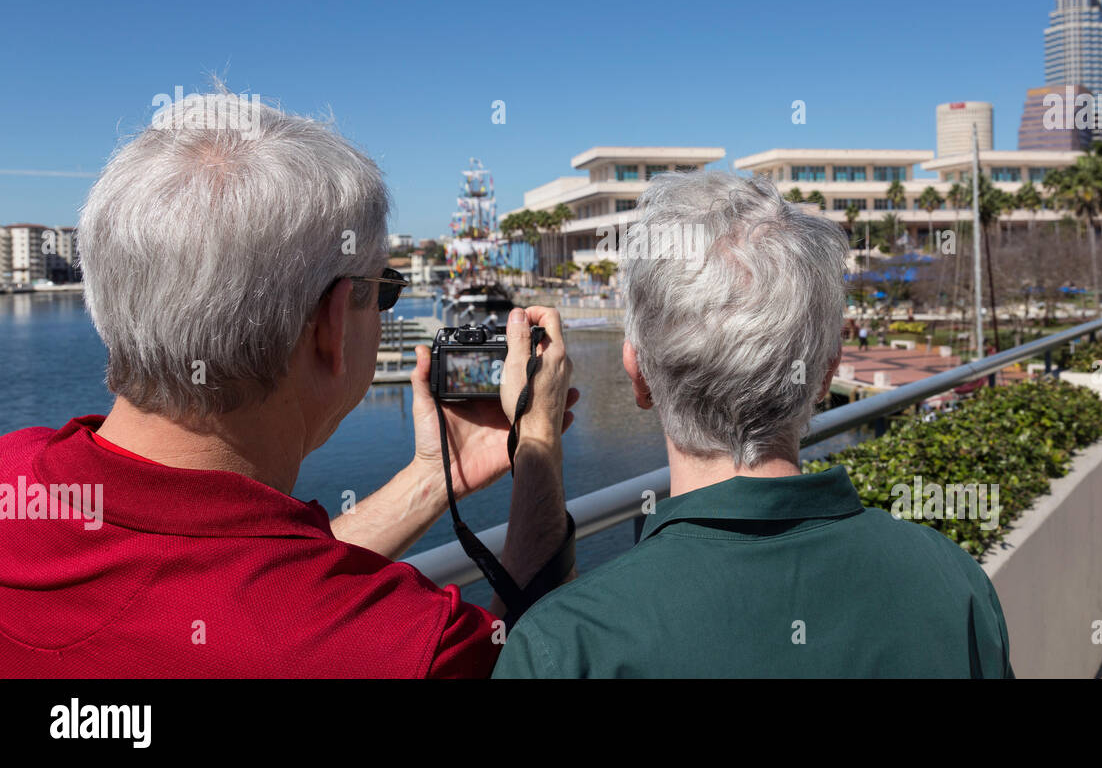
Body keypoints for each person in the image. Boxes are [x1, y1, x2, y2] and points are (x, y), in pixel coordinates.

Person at [0, 90, 577, 677]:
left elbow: (252, 578)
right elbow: (539, 664)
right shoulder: (406, 650)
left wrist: (434, 479)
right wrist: (537, 450)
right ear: (331, 326)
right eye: (384, 290)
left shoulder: (12, 477)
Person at [494, 171, 1013, 678]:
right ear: (827, 371)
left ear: (638, 374)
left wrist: (533, 439)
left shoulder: (566, 646)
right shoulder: (953, 583)